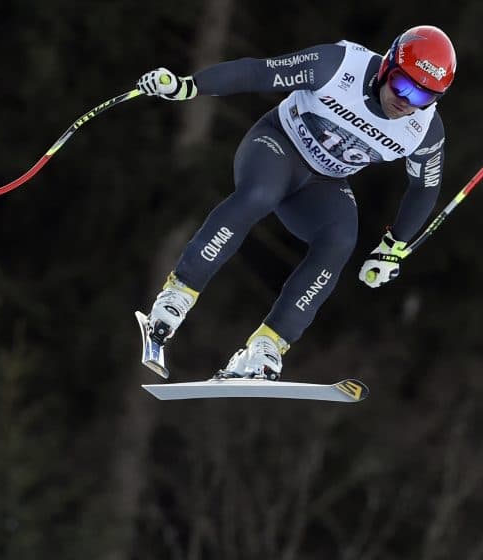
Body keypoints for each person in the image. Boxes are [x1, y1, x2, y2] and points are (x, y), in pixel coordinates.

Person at [135, 25, 455, 380]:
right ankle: (178, 294)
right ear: (386, 67)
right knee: (259, 194)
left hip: (324, 181)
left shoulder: (424, 130)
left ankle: (266, 346)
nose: (406, 101)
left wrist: (394, 246)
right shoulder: (338, 65)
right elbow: (261, 71)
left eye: (423, 97)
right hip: (277, 145)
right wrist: (188, 86)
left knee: (339, 240)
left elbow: (425, 186)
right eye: (402, 84)